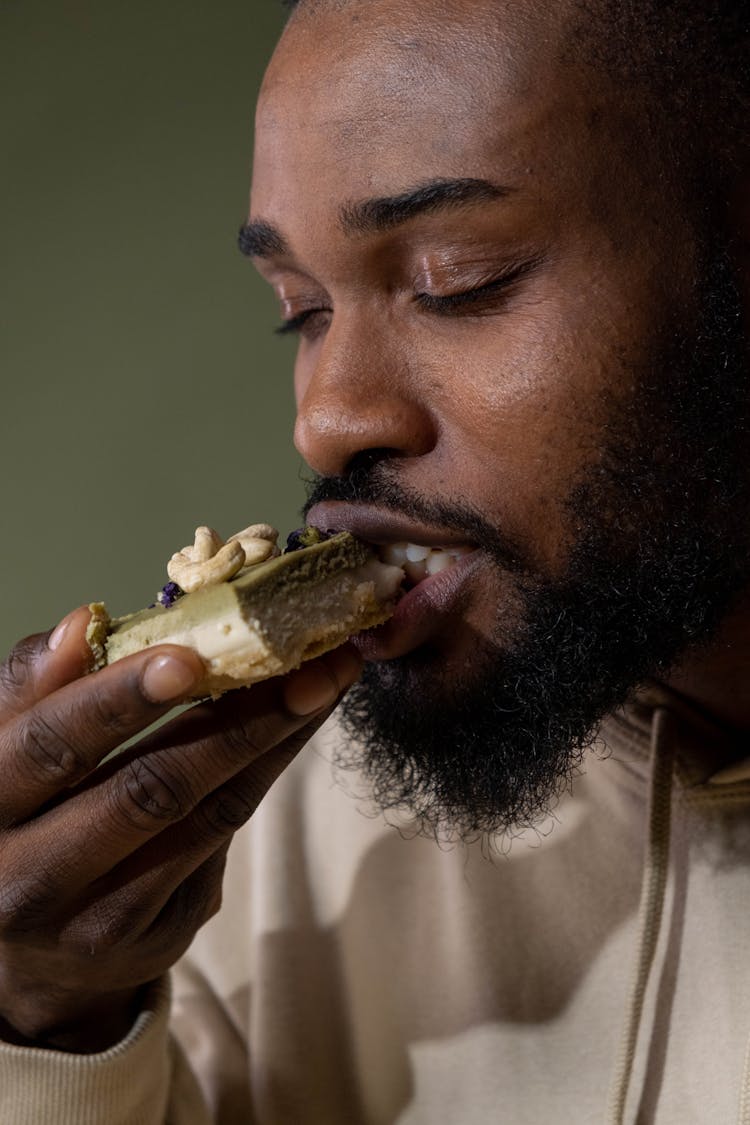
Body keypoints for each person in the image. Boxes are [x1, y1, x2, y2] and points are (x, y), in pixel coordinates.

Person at [1, 0, 749, 1120]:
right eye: (299, 309)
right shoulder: (255, 842)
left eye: (460, 279)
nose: (326, 420)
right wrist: (51, 1026)